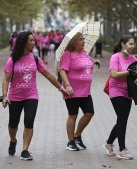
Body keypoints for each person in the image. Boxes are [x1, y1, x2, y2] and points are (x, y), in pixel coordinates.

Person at [2, 31, 68, 160]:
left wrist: (61, 88)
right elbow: (5, 79)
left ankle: (25, 150)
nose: (34, 42)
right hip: (15, 96)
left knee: (29, 121)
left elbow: (48, 75)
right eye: (31, 40)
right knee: (13, 124)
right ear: (23, 42)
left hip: (31, 95)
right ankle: (12, 140)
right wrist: (4, 95)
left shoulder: (35, 58)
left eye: (34, 40)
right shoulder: (13, 60)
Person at [103, 35, 137, 160]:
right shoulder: (115, 57)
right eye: (130, 44)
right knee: (122, 118)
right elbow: (114, 74)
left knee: (122, 120)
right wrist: (130, 72)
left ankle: (108, 143)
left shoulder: (133, 58)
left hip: (128, 92)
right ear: (123, 44)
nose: (133, 46)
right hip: (115, 90)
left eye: (133, 44)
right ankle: (122, 150)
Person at [59, 32, 99, 151]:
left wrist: (94, 63)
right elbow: (62, 71)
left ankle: (77, 135)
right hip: (72, 90)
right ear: (74, 42)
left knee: (89, 113)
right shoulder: (67, 54)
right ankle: (70, 141)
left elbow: (86, 67)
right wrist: (67, 85)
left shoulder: (85, 54)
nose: (83, 42)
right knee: (73, 115)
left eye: (83, 39)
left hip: (85, 91)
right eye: (80, 40)